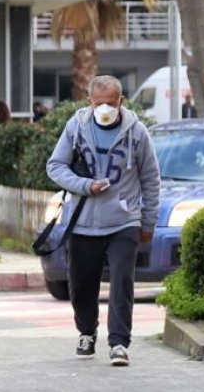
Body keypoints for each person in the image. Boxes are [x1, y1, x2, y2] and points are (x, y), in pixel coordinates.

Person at [46, 76, 160, 366]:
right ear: (89, 102)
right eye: (99, 103)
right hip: (83, 221)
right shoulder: (76, 127)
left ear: (121, 101)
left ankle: (119, 343)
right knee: (81, 284)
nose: (105, 108)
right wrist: (85, 185)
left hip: (124, 220)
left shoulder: (137, 133)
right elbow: (55, 166)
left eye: (111, 102)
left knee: (122, 280)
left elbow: (150, 178)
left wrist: (148, 222)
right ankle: (87, 333)